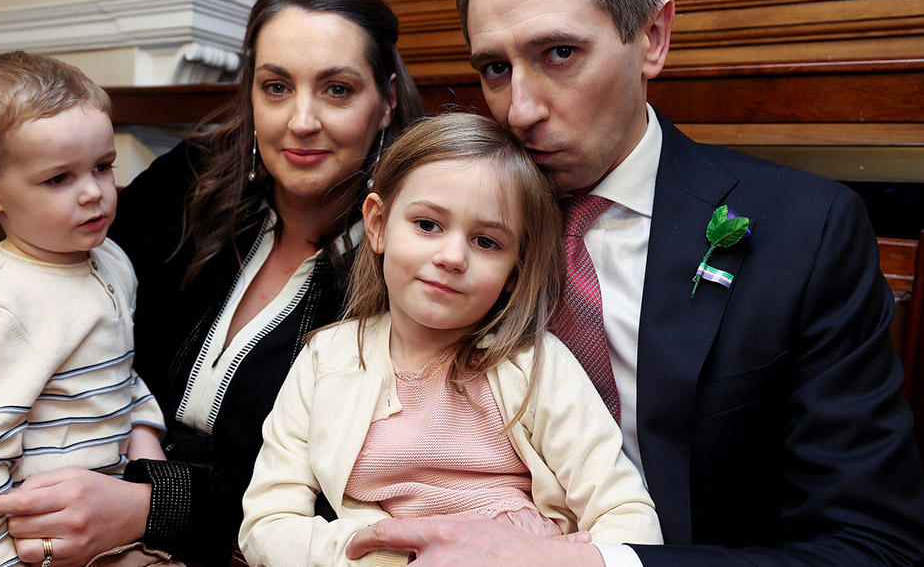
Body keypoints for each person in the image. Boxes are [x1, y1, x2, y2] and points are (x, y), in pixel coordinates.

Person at [345, 0, 924, 567]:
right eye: (494, 68)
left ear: (651, 37)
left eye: (558, 54)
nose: (518, 109)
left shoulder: (805, 233)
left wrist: (587, 564)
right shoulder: (453, 234)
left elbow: (883, 551)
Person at [0, 0, 424, 567]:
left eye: (337, 89)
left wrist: (149, 506)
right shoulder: (187, 183)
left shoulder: (418, 257)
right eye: (275, 87)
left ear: (386, 101)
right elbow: (26, 308)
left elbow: (366, 494)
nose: (300, 120)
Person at [239, 113, 662, 567]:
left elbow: (629, 516)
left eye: (486, 241)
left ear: (513, 271)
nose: (452, 257)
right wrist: (386, 556)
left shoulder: (536, 366)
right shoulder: (326, 361)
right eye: (427, 225)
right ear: (378, 225)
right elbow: (266, 524)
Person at [0, 51, 169, 567]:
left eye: (103, 167)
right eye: (59, 178)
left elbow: (119, 370)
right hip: (32, 545)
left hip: (111, 527)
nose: (94, 194)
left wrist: (148, 444)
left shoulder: (112, 260)